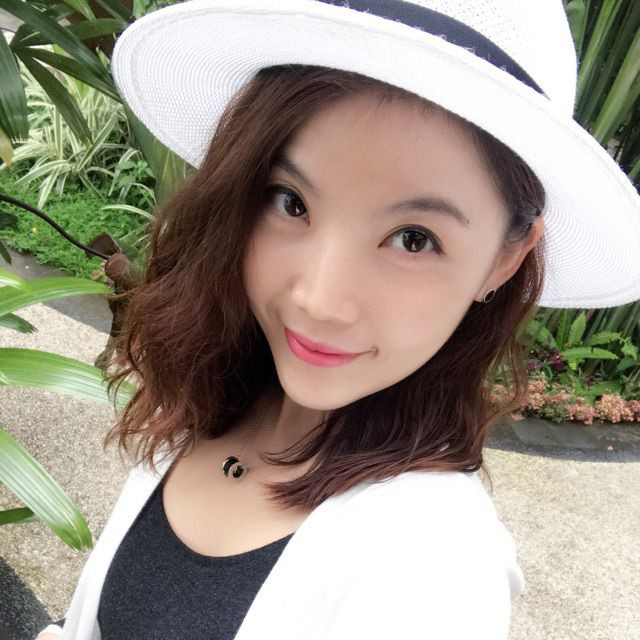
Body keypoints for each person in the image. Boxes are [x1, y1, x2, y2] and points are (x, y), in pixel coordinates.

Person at [35, 1, 640, 639]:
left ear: (504, 260)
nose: (319, 300)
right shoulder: (220, 394)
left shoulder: (433, 572)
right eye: (291, 202)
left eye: (413, 239)